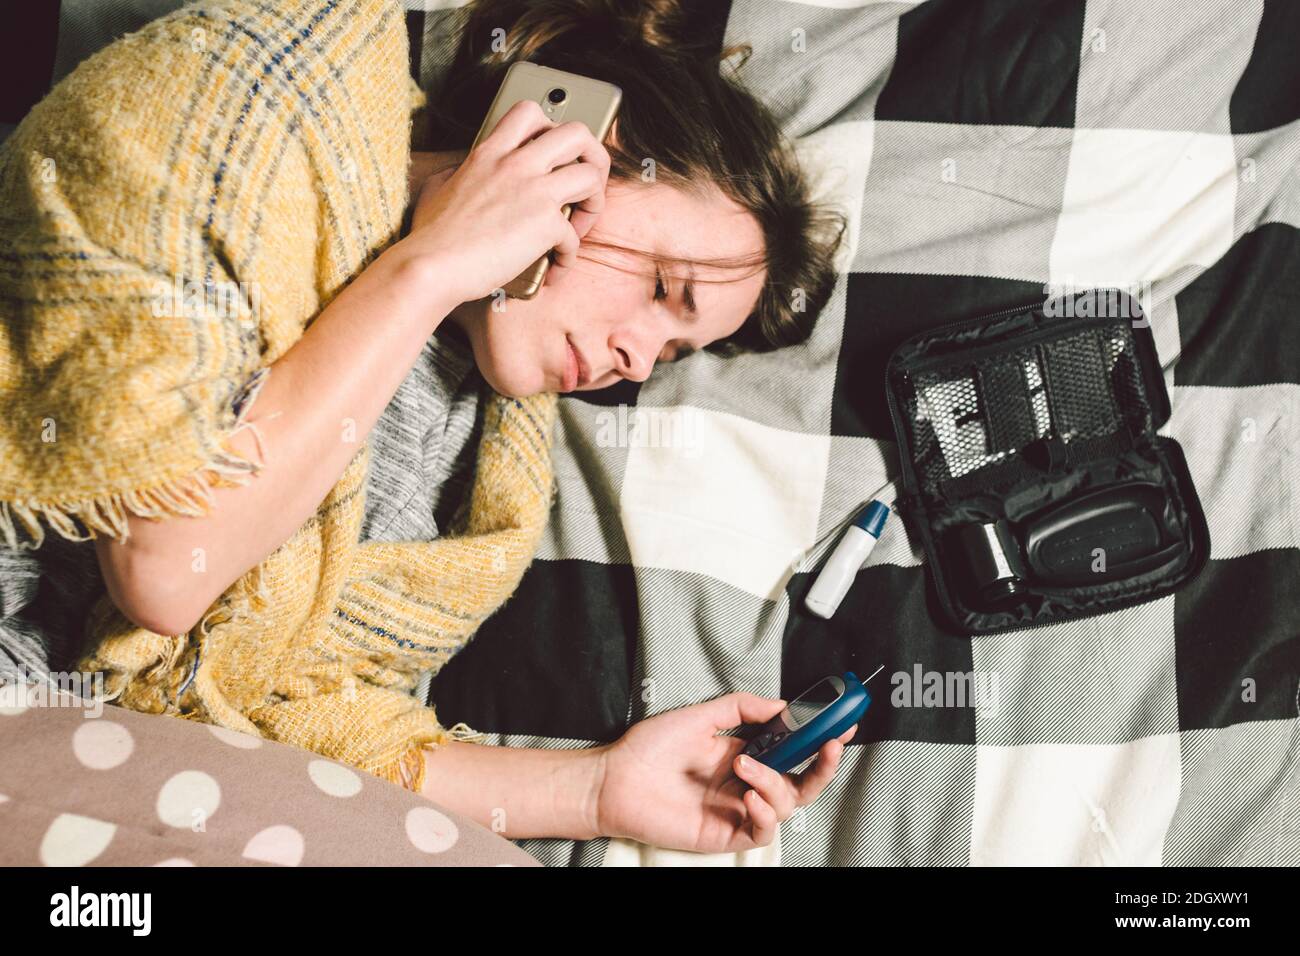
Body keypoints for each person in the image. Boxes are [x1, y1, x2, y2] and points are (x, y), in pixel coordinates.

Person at [0, 0, 850, 854]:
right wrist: (428, 269)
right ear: (567, 143)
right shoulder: (260, 95)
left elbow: (287, 727)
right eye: (663, 290)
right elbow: (164, 564)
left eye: (669, 355)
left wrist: (597, 791)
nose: (637, 359)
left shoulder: (483, 466)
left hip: (85, 761)